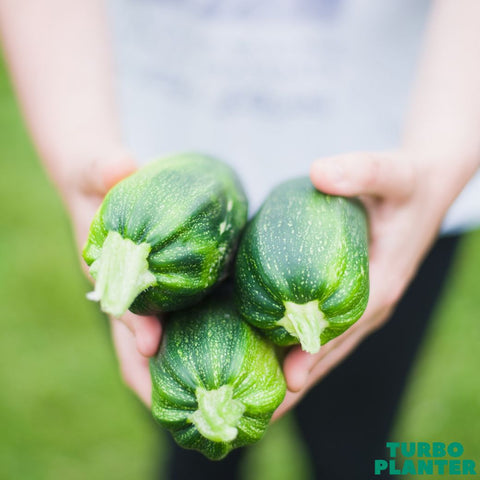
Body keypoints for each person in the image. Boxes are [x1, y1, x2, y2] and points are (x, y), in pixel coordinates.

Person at [1, 0, 479, 478]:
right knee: (196, 449)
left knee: (355, 437)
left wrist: (441, 160)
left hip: (397, 173)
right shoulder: (129, 229)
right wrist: (78, 148)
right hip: (147, 168)